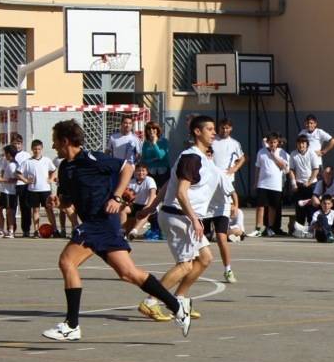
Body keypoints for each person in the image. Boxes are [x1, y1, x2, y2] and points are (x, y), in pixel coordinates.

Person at [44, 119, 188, 341]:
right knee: (129, 273)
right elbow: (67, 202)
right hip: (95, 224)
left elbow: (127, 167)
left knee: (67, 262)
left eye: (55, 141)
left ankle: (72, 325)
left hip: (102, 221)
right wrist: (58, 203)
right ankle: (176, 306)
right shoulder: (65, 168)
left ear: (65, 141)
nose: (53, 146)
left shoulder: (92, 159)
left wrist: (117, 196)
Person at [139, 116, 221, 325]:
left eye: (214, 129)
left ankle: (180, 298)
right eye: (209, 129)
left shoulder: (200, 158)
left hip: (186, 216)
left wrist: (150, 207)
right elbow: (181, 193)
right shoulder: (191, 157)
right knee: (185, 265)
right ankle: (151, 300)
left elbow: (169, 183)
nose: (213, 132)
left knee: (205, 259)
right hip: (179, 216)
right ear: (197, 132)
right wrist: (194, 219)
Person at [251, 133, 289, 237]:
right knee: (260, 206)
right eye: (270, 142)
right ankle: (258, 228)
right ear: (267, 142)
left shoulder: (282, 153)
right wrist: (256, 181)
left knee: (273, 207)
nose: (272, 144)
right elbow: (257, 167)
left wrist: (273, 155)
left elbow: (284, 167)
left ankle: (270, 228)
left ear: (278, 143)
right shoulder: (261, 152)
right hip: (263, 183)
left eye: (274, 142)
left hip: (276, 185)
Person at [19, 139, 58, 237]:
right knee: (35, 210)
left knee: (49, 210)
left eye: (39, 149)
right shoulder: (27, 162)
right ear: (32, 149)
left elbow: (53, 170)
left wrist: (51, 179)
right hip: (33, 190)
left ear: (42, 149)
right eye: (35, 149)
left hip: (45, 189)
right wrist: (25, 180)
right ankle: (36, 230)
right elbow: (18, 173)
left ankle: (55, 229)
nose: (37, 151)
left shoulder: (46, 160)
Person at [288, 135, 320, 233]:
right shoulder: (293, 154)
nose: (301, 145)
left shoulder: (312, 154)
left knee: (311, 209)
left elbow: (316, 170)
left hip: (311, 185)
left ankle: (312, 230)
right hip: (299, 185)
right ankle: (299, 230)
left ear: (307, 144)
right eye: (299, 143)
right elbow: (291, 170)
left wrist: (309, 182)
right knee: (299, 209)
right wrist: (294, 183)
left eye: (303, 143)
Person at [0, 145, 20, 238]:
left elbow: (15, 179)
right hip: (4, 191)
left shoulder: (13, 165)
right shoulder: (8, 163)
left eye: (5, 153)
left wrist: (2, 180)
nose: (4, 155)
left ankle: (11, 231)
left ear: (8, 154)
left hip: (10, 192)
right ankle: (1, 230)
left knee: (9, 211)